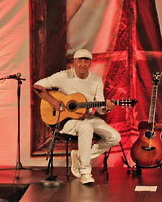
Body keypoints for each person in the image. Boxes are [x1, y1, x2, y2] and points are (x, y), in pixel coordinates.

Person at [33, 48, 122, 185]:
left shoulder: (96, 80)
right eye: (79, 61)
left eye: (86, 61)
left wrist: (106, 108)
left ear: (90, 63)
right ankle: (85, 172)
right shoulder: (63, 76)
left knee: (114, 137)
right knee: (85, 127)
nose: (82, 64)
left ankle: (81, 156)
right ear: (74, 62)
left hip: (87, 117)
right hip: (66, 121)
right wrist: (52, 101)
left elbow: (100, 107)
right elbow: (37, 86)